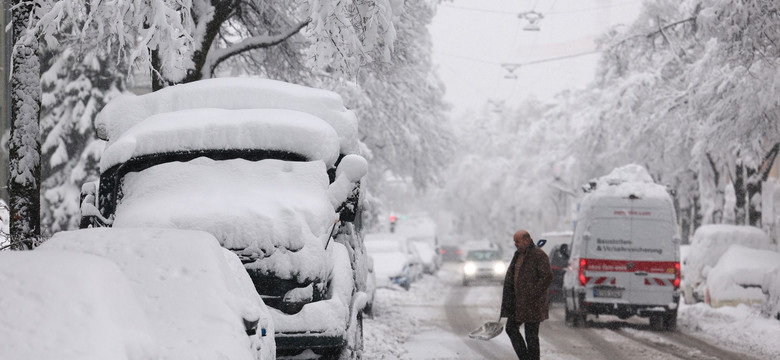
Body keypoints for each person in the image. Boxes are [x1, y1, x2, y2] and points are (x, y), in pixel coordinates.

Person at [500, 230, 553, 360]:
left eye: (517, 241)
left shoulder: (539, 255)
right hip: (518, 303)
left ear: (526, 241)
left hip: (533, 304)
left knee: (531, 336)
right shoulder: (518, 255)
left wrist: (533, 294)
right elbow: (511, 277)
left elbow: (547, 277)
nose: (515, 244)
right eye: (514, 242)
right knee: (511, 328)